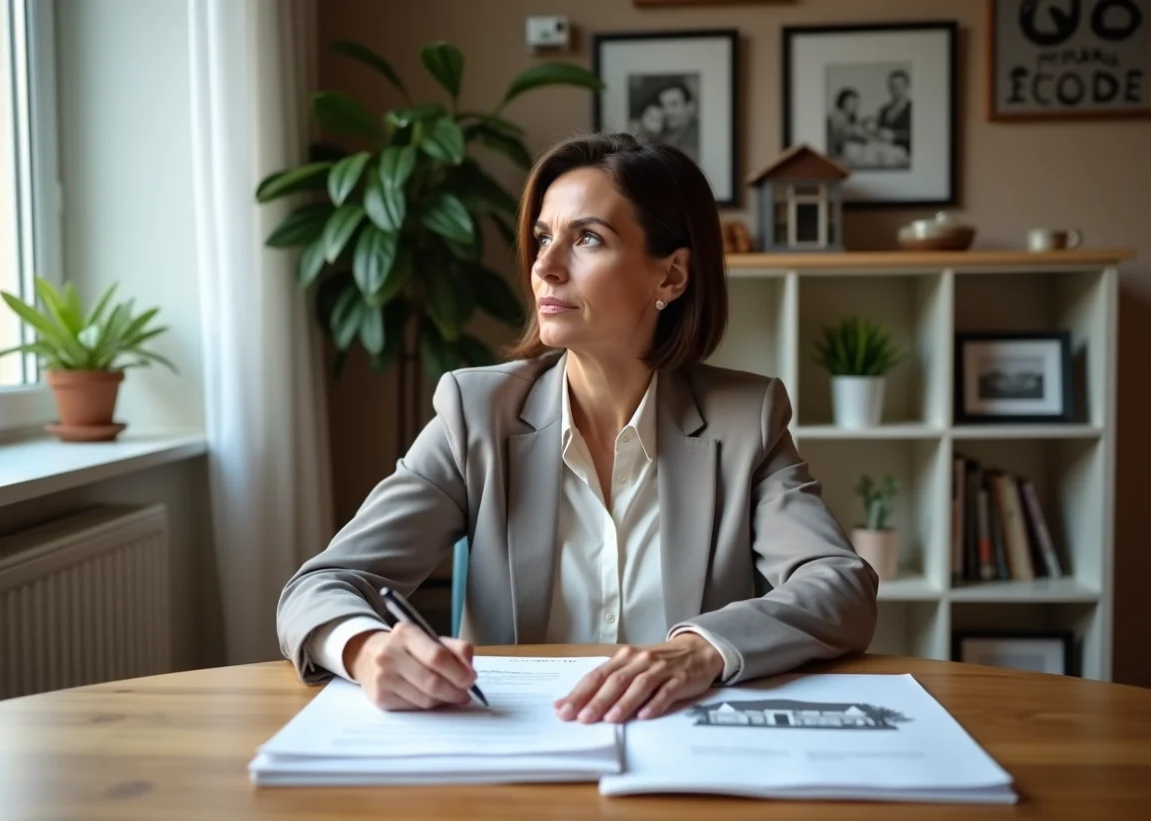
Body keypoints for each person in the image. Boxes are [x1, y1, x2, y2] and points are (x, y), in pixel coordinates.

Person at [276, 132, 879, 725]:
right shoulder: (476, 411)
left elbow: (839, 584)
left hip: (683, 758)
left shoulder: (745, 418)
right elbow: (323, 584)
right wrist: (364, 647)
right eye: (542, 237)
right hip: (515, 751)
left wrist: (701, 649)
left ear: (671, 277)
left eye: (587, 238)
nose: (545, 266)